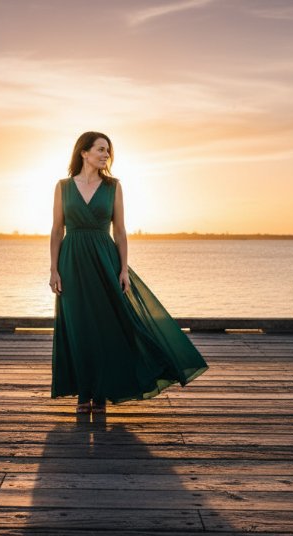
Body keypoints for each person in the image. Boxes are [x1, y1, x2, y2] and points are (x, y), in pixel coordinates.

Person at [49, 131, 209, 416]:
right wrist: (54, 269)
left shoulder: (113, 187)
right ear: (83, 153)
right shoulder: (62, 187)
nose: (105, 154)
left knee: (107, 326)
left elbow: (120, 231)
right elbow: (56, 230)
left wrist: (123, 269)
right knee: (79, 328)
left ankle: (101, 393)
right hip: (72, 262)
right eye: (100, 149)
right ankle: (83, 393)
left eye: (108, 151)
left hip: (105, 259)